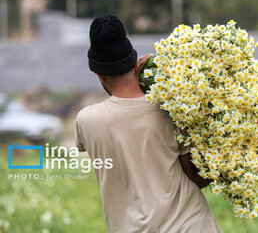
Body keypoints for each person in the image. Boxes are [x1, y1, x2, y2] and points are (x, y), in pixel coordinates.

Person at [75, 15, 223, 233]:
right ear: (136, 64)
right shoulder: (170, 109)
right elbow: (197, 177)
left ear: (100, 76)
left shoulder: (86, 121)